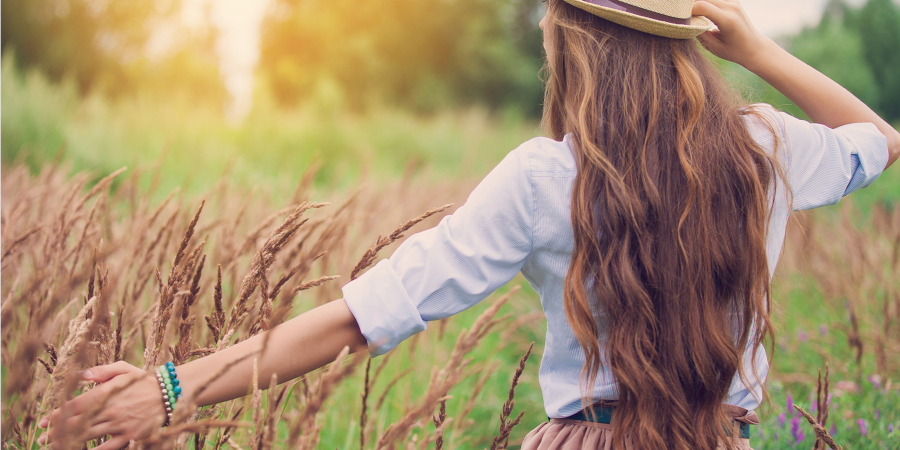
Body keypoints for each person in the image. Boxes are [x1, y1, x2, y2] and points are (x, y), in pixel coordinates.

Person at [40, 0, 899, 449]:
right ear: (682, 43)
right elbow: (881, 140)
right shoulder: (763, 146)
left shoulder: (546, 176)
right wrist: (756, 53)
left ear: (569, 42)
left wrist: (170, 388)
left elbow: (361, 319)